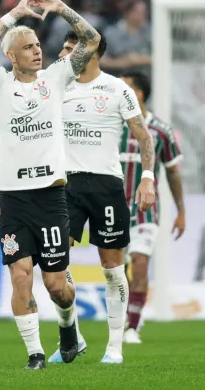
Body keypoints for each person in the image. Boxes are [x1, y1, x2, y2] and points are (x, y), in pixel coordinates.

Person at [0, 0, 101, 370]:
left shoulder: (56, 77)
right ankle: (35, 353)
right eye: (27, 47)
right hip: (13, 199)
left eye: (38, 46)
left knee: (58, 287)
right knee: (20, 275)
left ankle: (68, 327)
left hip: (50, 197)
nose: (36, 51)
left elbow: (91, 40)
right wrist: (14, 14)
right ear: (10, 56)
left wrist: (61, 9)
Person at [46, 31, 156, 365]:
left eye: (69, 49)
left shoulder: (117, 89)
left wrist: (148, 179)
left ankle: (114, 346)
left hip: (107, 185)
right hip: (64, 187)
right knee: (54, 266)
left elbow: (144, 137)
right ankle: (71, 333)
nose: (62, 55)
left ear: (90, 51)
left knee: (112, 267)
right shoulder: (55, 85)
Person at [119, 71, 185, 344]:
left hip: (146, 209)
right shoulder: (112, 126)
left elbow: (172, 172)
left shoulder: (160, 130)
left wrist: (181, 211)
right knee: (116, 271)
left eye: (125, 88)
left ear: (140, 94)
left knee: (141, 262)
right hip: (113, 209)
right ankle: (126, 314)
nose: (119, 93)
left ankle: (132, 327)